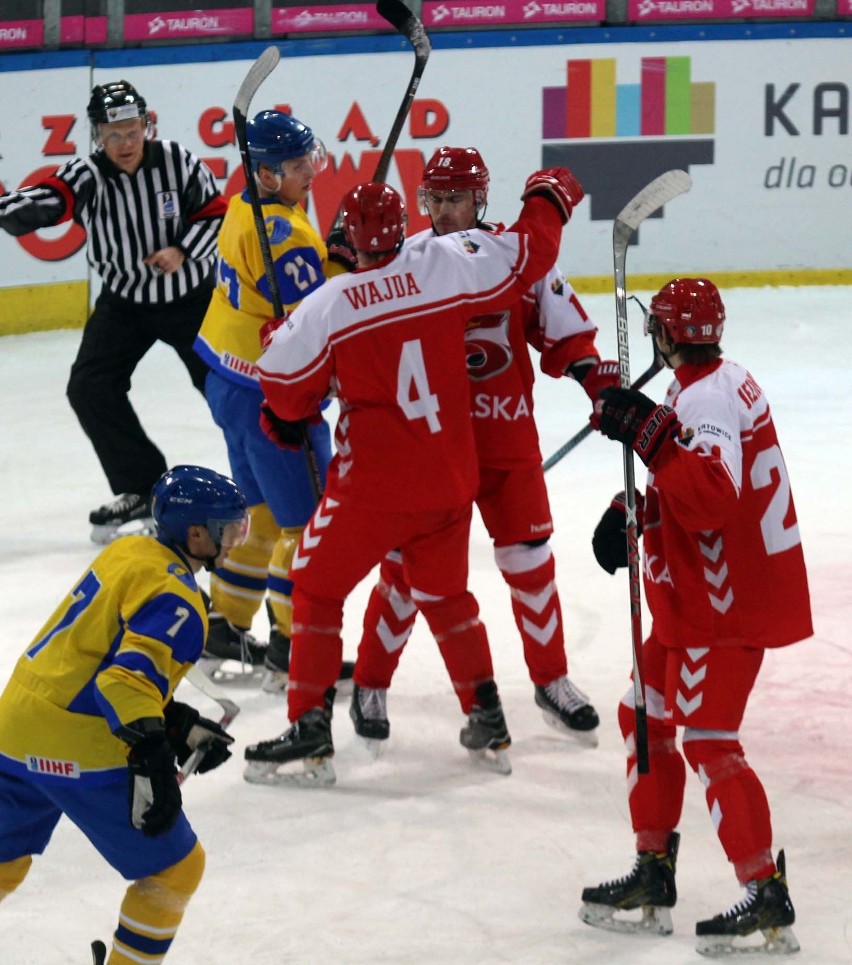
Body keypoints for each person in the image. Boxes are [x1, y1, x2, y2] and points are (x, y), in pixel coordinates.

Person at [241, 165, 586, 787]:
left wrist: (279, 337)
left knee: (316, 591)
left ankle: (309, 731)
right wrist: (547, 196)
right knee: (448, 598)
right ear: (407, 228)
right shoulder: (446, 266)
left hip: (371, 491)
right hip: (451, 482)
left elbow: (287, 398)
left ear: (347, 240)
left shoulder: (331, 302)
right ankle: (487, 717)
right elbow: (532, 250)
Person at [349, 146, 619, 749]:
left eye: (457, 199)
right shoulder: (410, 259)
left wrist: (596, 381)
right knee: (406, 570)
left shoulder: (514, 258)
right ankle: (371, 682)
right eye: (435, 199)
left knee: (529, 561)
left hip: (506, 436)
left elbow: (565, 331)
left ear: (481, 200)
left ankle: (552, 680)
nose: (444, 212)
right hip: (431, 446)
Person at [578, 278, 811, 956]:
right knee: (642, 714)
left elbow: (711, 494)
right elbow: (686, 481)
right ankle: (653, 872)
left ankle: (765, 890)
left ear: (665, 335)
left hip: (724, 604)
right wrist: (635, 513)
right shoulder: (715, 382)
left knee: (709, 739)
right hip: (697, 598)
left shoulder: (705, 396)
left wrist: (647, 431)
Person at [0, 465, 248, 964]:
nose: (234, 541)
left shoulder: (128, 551)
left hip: (13, 723)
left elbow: (93, 656)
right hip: (75, 746)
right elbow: (124, 681)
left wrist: (173, 721)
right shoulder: (179, 599)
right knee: (175, 870)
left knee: (3, 858)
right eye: (227, 530)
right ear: (195, 533)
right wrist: (154, 753)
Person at [0, 81, 227, 544]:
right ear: (96, 136)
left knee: (228, 387)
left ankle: (270, 468)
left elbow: (216, 214)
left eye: (132, 130)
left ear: (147, 124)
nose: (124, 144)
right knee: (89, 388)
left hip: (190, 301)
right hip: (125, 304)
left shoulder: (178, 160)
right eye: (112, 135)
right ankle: (142, 486)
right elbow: (47, 202)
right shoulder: (87, 173)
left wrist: (182, 251)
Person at [193, 109, 354, 690]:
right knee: (306, 527)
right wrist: (342, 264)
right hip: (272, 400)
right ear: (266, 175)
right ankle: (295, 644)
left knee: (259, 515)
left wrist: (327, 259)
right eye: (297, 165)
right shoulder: (286, 238)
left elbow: (287, 291)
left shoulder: (243, 208)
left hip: (227, 381)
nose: (310, 170)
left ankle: (225, 624)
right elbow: (312, 321)